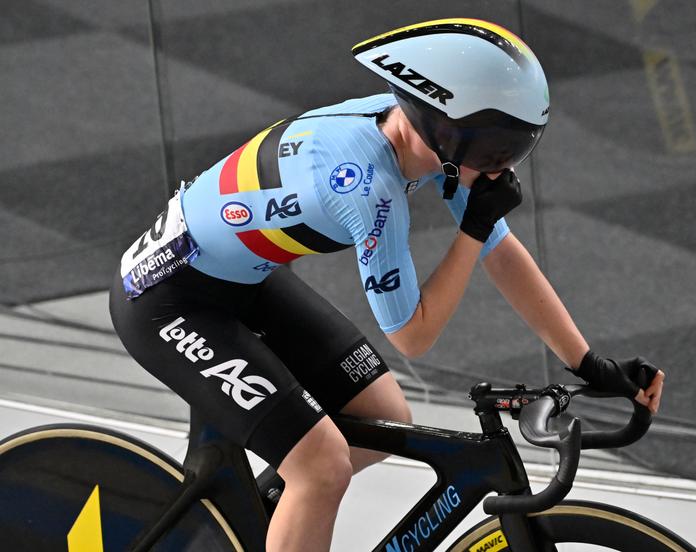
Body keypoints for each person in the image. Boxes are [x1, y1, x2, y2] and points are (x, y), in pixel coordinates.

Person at [110, 18, 664, 552]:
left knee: (382, 418)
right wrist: (470, 230)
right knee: (321, 465)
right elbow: (412, 336)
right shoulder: (368, 189)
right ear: (447, 127)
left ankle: (262, 521)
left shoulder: (414, 135)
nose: (503, 168)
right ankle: (298, 501)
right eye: (496, 150)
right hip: (169, 300)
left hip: (239, 278)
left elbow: (504, 253)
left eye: (515, 149)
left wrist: (587, 364)